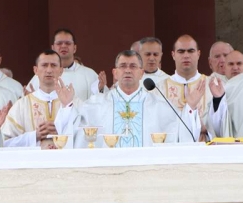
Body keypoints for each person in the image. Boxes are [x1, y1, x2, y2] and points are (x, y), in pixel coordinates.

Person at [70, 50, 201, 147]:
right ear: (115, 73)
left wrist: (190, 107)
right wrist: (66, 107)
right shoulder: (97, 104)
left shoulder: (159, 105)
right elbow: (75, 129)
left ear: (141, 73)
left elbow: (181, 132)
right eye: (123, 66)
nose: (128, 70)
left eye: (133, 66)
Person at [1, 51, 79, 148]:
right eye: (44, 65)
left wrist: (61, 130)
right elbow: (4, 143)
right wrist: (34, 136)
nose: (49, 70)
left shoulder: (74, 103)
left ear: (61, 70)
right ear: (36, 70)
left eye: (53, 65)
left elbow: (85, 136)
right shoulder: (21, 105)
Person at [161, 34, 212, 140]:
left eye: (191, 51)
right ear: (173, 55)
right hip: (171, 147)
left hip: (205, 146)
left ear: (198, 54)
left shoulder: (212, 86)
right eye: (181, 51)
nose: (186, 55)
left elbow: (223, 123)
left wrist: (208, 127)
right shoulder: (159, 89)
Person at [27, 29, 103, 100]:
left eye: (68, 43)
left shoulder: (89, 75)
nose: (63, 46)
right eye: (59, 43)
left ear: (74, 48)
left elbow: (101, 102)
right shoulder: (42, 75)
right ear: (53, 48)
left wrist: (100, 90)